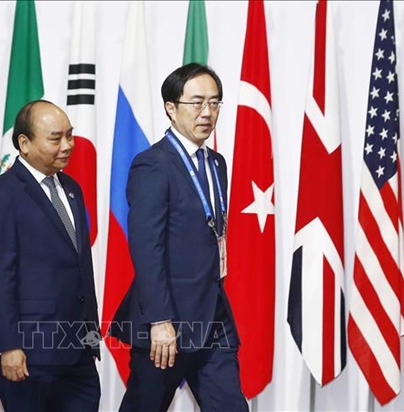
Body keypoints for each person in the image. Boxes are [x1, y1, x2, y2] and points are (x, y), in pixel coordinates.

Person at [110, 63, 249, 411]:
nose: (207, 112)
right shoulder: (153, 164)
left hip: (212, 317)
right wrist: (160, 321)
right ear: (171, 108)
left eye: (214, 103)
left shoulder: (216, 163)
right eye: (197, 102)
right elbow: (147, 248)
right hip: (167, 320)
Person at [0, 100, 101, 411]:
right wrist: (9, 345)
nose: (67, 145)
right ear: (25, 143)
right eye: (56, 138)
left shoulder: (72, 189)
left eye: (70, 135)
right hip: (28, 353)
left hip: (77, 352)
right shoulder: (2, 195)